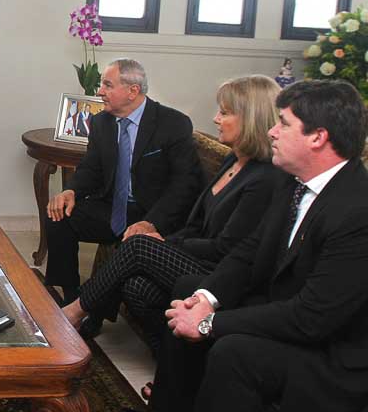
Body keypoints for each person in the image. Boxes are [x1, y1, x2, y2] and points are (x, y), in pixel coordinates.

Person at [120, 80, 368, 412]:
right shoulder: (293, 180)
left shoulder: (357, 211)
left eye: (284, 123)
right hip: (288, 309)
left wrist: (209, 324)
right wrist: (205, 300)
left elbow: (312, 319)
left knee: (234, 351)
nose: (272, 131)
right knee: (192, 289)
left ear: (318, 137)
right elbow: (250, 252)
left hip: (331, 352)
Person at [61, 75, 279, 356]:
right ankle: (166, 358)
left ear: (251, 119)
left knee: (139, 244)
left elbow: (227, 248)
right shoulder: (233, 160)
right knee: (136, 287)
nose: (215, 119)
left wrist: (167, 242)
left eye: (225, 113)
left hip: (221, 273)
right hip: (198, 257)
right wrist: (167, 240)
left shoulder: (264, 178)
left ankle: (74, 312)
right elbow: (197, 224)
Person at [45, 58, 204, 306]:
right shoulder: (101, 122)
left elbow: (184, 185)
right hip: (114, 207)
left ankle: (92, 311)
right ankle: (69, 296)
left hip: (153, 212)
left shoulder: (173, 123)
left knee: (134, 242)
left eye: (108, 85)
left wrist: (151, 222)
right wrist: (71, 190)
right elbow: (91, 168)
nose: (100, 92)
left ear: (133, 90)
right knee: (58, 216)